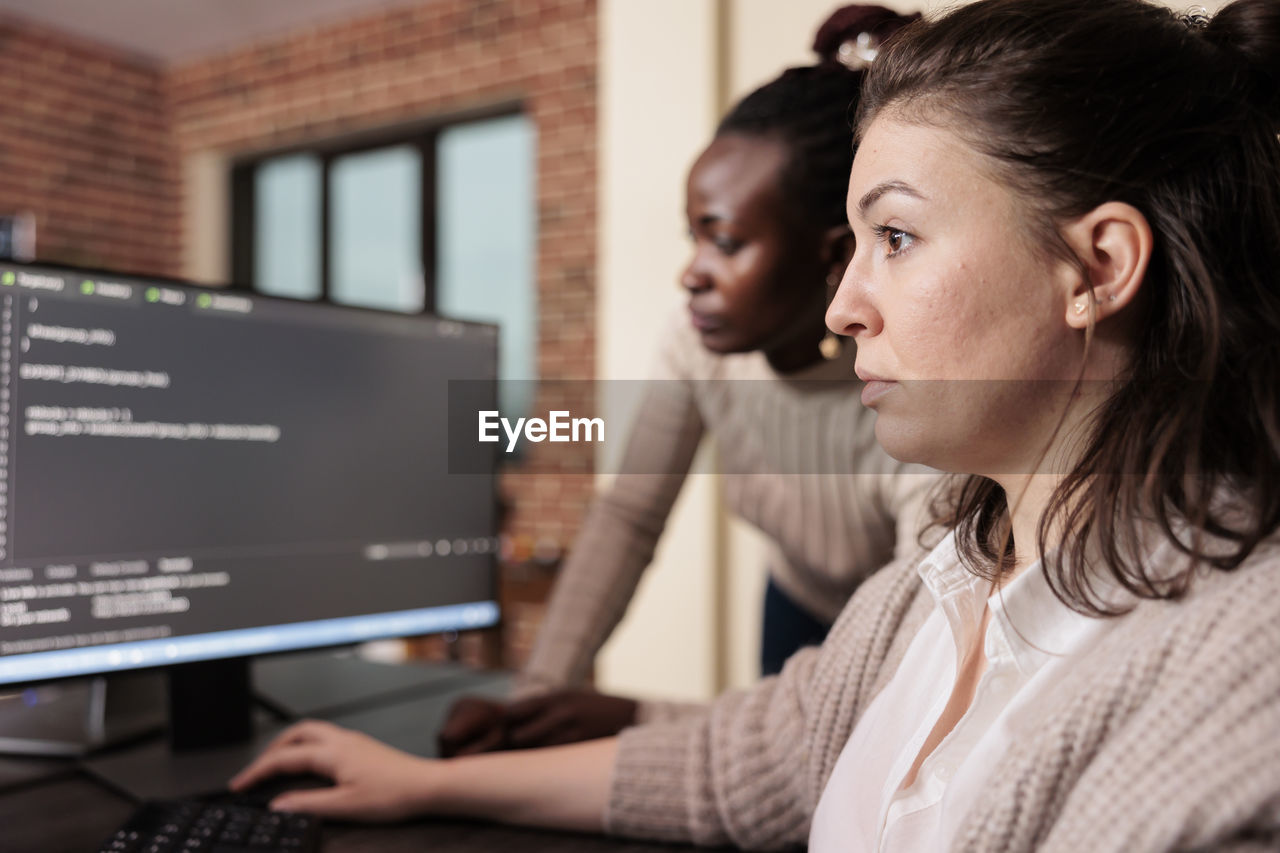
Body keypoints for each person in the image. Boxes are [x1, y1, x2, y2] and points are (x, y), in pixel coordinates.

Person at [231, 0, 1280, 848]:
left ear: (1096, 268)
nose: (844, 306)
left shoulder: (1225, 685)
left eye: (898, 237)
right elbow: (747, 724)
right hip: (823, 604)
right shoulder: (933, 583)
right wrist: (486, 736)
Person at [437, 3, 934, 757]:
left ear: (835, 255)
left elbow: (901, 661)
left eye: (726, 241)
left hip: (907, 613)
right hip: (798, 600)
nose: (690, 273)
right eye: (693, 233)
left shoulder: (916, 395)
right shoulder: (697, 339)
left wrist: (636, 718)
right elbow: (630, 515)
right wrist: (537, 701)